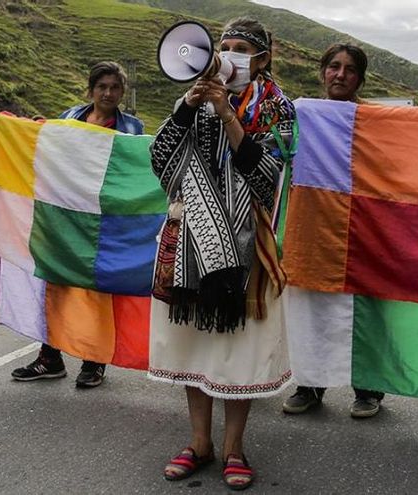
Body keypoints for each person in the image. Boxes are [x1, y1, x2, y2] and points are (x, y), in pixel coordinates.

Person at [149, 17, 296, 490]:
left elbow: (268, 180)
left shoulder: (277, 108)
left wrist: (229, 116)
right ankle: (199, 442)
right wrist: (189, 109)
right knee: (194, 344)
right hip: (191, 238)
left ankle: (234, 447)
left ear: (262, 58)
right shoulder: (190, 100)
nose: (226, 54)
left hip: (247, 244)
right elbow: (160, 162)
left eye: (238, 48)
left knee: (239, 347)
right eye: (223, 45)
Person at [10, 62, 144, 388]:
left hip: (106, 224)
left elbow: (136, 175)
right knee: (57, 286)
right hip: (66, 218)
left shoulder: (132, 130)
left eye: (115, 87)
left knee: (97, 292)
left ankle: (94, 361)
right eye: (103, 87)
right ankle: (49, 358)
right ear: (91, 90)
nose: (109, 93)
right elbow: (48, 149)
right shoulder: (70, 117)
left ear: (122, 92)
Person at [281, 43, 386, 419]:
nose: (341, 75)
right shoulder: (302, 112)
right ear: (323, 71)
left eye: (350, 69)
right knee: (312, 307)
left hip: (363, 227)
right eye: (334, 67)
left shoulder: (377, 119)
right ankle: (310, 385)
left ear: (360, 77)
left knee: (364, 310)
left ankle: (369, 389)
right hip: (312, 225)